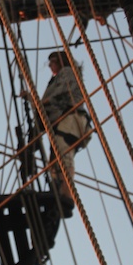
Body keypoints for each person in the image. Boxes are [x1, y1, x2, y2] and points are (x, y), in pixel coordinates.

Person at [38, 50, 91, 206]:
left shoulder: (67, 72)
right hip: (64, 121)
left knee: (62, 155)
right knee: (55, 159)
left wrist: (39, 103)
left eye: (52, 62)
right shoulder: (55, 79)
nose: (50, 66)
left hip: (71, 119)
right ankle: (60, 193)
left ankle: (66, 194)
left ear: (60, 61)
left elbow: (61, 94)